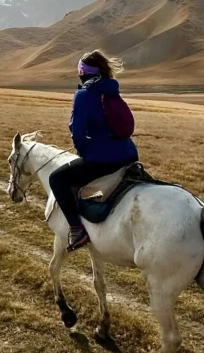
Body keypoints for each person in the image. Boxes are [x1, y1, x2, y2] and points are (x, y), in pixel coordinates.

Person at [49, 50, 139, 252]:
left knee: (57, 179)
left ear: (82, 72)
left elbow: (78, 133)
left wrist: (83, 151)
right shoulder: (111, 90)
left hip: (103, 160)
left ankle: (76, 229)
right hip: (129, 154)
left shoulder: (84, 95)